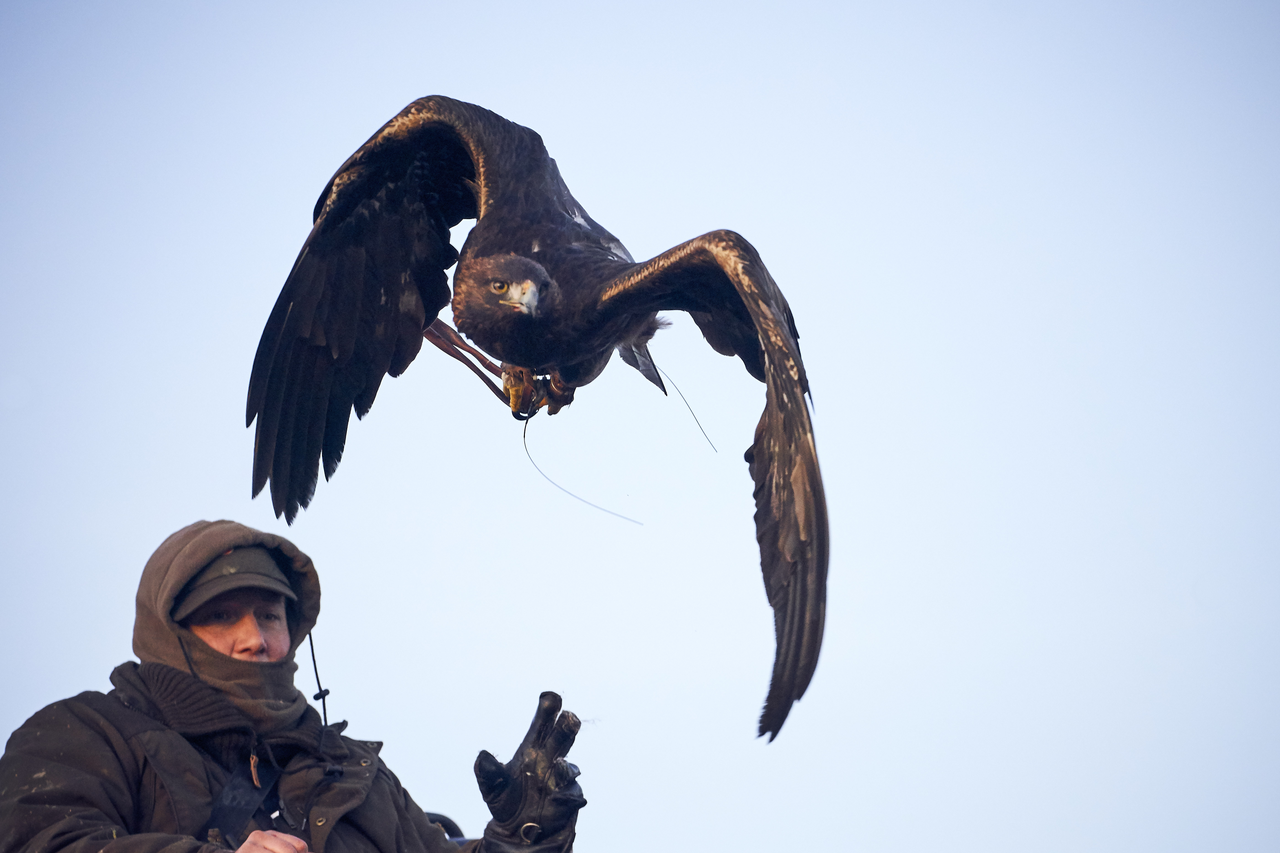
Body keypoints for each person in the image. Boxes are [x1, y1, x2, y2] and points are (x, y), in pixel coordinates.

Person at [0, 520, 586, 853]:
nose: (253, 638)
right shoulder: (85, 735)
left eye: (269, 615)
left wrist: (522, 835)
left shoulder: (354, 774)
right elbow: (37, 844)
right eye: (223, 615)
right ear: (168, 632)